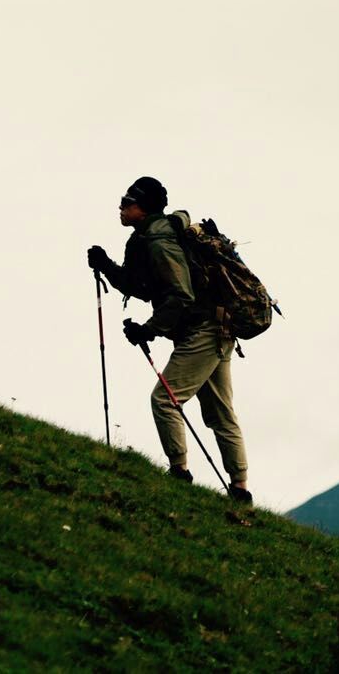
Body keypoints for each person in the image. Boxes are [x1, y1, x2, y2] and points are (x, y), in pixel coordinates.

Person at [87, 176, 253, 503]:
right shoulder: (147, 238)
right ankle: (240, 490)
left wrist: (149, 329)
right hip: (216, 327)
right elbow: (144, 287)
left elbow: (181, 294)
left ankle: (179, 473)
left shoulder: (159, 242)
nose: (121, 206)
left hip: (204, 330)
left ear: (144, 207)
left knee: (165, 399)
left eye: (127, 201)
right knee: (221, 414)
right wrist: (106, 266)